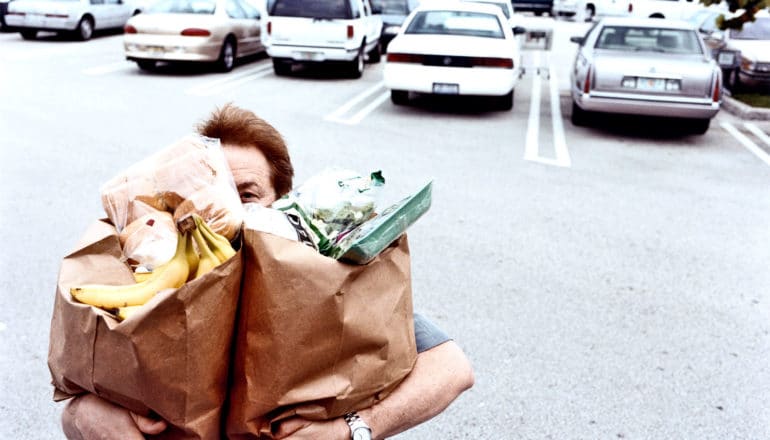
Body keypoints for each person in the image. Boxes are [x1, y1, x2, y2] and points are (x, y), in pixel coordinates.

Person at [60, 103, 474, 440]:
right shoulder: (149, 268)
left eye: (247, 194)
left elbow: (451, 368)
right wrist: (84, 415)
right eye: (211, 191)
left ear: (282, 203)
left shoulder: (317, 273)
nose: (228, 208)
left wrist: (351, 429)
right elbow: (79, 391)